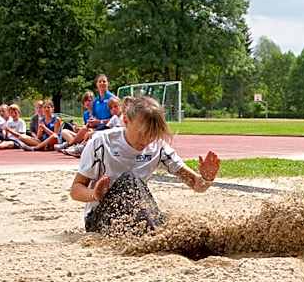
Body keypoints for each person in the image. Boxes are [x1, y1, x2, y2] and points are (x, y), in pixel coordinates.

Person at [70, 95, 220, 234]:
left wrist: (207, 178)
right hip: (99, 218)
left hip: (138, 214)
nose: (147, 140)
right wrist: (95, 195)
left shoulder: (158, 147)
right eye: (142, 133)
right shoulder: (101, 142)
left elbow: (197, 185)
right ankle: (154, 233)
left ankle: (159, 233)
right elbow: (75, 189)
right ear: (126, 121)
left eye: (153, 134)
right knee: (130, 180)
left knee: (144, 197)